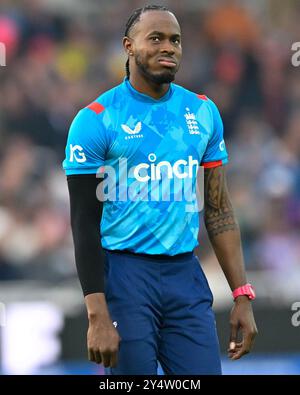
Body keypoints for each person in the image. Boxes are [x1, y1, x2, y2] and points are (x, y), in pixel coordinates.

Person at [63, 5, 257, 375]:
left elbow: (218, 209)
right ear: (129, 46)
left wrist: (241, 294)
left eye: (175, 40)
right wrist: (97, 314)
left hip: (186, 276)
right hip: (124, 275)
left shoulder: (202, 113)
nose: (168, 47)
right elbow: (84, 222)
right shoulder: (96, 120)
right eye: (156, 38)